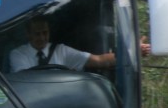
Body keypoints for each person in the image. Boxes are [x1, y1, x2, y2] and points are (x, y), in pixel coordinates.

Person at [9, 16, 150, 72]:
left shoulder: (61, 51)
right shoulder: (17, 54)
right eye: (37, 34)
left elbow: (99, 60)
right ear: (28, 34)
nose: (42, 37)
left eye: (45, 33)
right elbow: (26, 82)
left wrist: (131, 52)